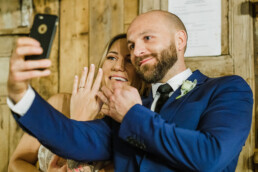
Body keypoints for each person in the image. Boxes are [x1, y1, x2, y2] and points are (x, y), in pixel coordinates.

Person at [7, 10, 253, 172]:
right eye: (133, 45)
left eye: (148, 38)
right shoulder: (130, 106)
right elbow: (73, 137)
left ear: (179, 41)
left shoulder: (227, 89)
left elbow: (210, 156)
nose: (136, 52)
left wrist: (133, 114)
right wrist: (21, 94)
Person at [8, 33, 147, 172]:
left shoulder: (131, 129)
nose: (118, 66)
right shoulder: (60, 103)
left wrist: (79, 120)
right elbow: (16, 163)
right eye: (111, 57)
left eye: (129, 60)